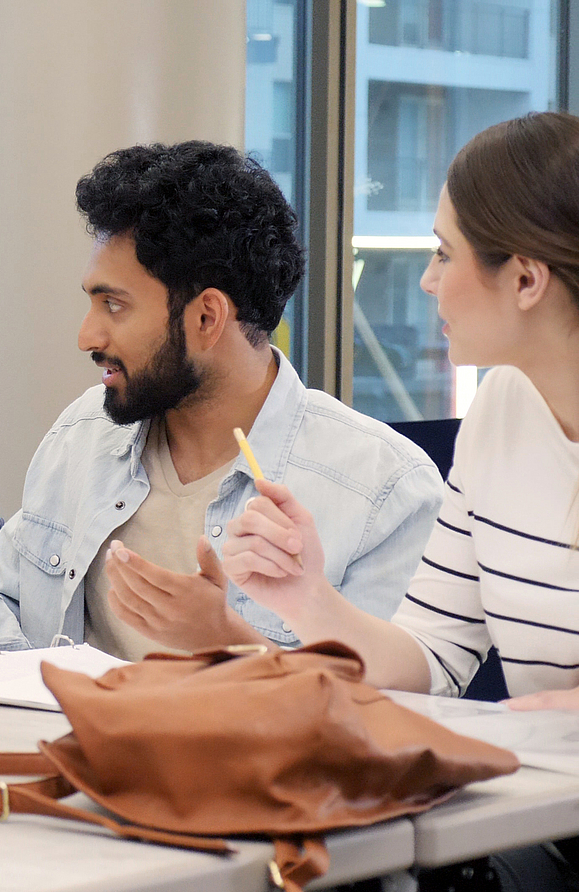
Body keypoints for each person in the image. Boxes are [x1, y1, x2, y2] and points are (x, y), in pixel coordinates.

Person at [0, 141, 442, 659]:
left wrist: (229, 643)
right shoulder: (86, 431)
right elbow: (10, 623)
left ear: (206, 317)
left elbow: (388, 716)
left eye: (113, 305)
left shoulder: (384, 487)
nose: (87, 336)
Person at [220, 111, 579, 709]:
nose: (427, 281)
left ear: (525, 280)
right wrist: (305, 596)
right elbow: (432, 654)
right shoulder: (499, 409)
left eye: (444, 253)